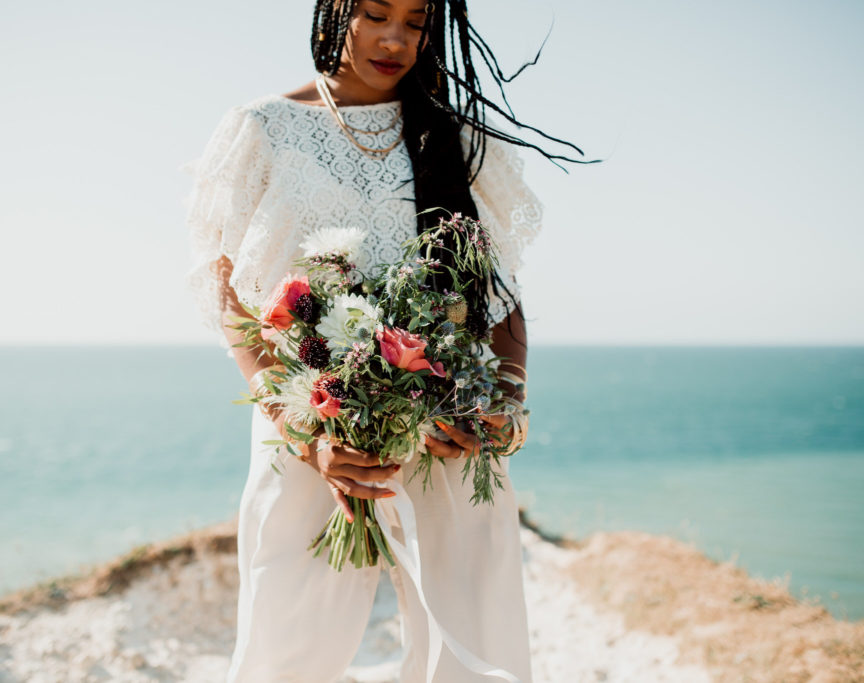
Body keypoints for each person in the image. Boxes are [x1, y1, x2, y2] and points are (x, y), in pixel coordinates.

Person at [182, 1, 591, 680]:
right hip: (314, 432)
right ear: (336, 8)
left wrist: (507, 401)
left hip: (449, 436)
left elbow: (499, 297)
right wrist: (301, 429)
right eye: (375, 13)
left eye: (417, 21)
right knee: (286, 650)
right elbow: (231, 297)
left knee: (470, 642)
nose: (395, 39)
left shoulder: (454, 137)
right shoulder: (265, 129)